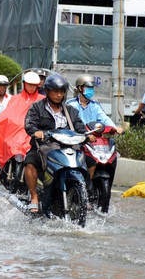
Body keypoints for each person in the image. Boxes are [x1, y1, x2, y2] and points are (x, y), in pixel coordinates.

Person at [23, 75, 94, 213]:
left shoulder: (71, 111)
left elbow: (80, 127)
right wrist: (37, 132)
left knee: (91, 162)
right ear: (47, 91)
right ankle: (34, 197)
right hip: (45, 146)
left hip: (68, 147)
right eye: (55, 91)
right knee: (29, 162)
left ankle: (84, 196)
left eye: (61, 92)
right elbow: (29, 125)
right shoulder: (37, 108)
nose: (59, 95)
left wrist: (87, 135)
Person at [67, 74, 124, 185]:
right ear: (80, 88)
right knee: (88, 162)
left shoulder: (95, 106)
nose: (91, 90)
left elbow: (104, 118)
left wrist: (115, 128)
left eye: (92, 88)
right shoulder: (71, 105)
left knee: (112, 158)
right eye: (88, 87)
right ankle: (82, 188)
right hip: (77, 141)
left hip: (94, 140)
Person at [0, 72, 44, 179]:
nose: (32, 87)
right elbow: (8, 114)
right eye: (29, 84)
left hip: (32, 130)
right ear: (24, 84)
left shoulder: (42, 99)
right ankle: (0, 165)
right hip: (14, 129)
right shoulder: (15, 98)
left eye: (34, 85)